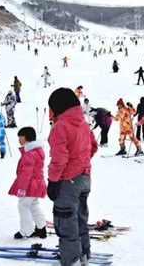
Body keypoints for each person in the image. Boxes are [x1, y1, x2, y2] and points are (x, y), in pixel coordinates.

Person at [46, 88, 98, 266]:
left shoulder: (60, 126)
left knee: (66, 222)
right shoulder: (83, 123)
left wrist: (52, 182)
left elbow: (59, 159)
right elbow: (93, 145)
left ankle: (71, 261)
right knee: (80, 218)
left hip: (68, 181)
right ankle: (84, 257)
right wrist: (82, 163)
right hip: (85, 178)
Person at [9, 127, 47, 239]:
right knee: (33, 206)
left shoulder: (29, 154)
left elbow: (26, 174)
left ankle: (26, 231)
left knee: (23, 206)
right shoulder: (36, 151)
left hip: (30, 185)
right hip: (37, 184)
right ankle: (41, 228)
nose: (19, 139)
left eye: (21, 136)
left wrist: (22, 188)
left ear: (27, 137)